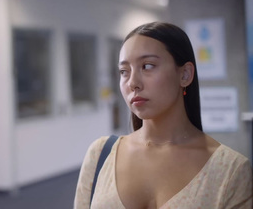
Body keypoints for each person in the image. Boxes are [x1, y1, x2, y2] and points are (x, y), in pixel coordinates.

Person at [74, 22, 252, 209]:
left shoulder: (230, 171)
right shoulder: (101, 155)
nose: (133, 82)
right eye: (124, 71)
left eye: (148, 66)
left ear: (185, 75)